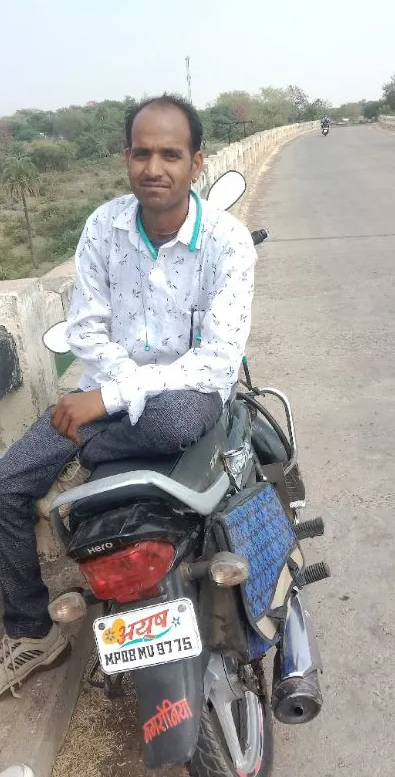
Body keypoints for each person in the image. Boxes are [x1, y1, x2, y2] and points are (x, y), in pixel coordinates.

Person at [0, 95, 256, 696]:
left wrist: (113, 397)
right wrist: (110, 391)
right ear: (126, 159)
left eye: (171, 153)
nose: (154, 167)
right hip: (102, 394)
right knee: (7, 483)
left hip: (185, 395)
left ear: (197, 164)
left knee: (169, 426)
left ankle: (89, 457)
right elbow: (86, 328)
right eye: (142, 153)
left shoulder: (226, 241)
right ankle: (34, 627)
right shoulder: (104, 227)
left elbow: (217, 357)